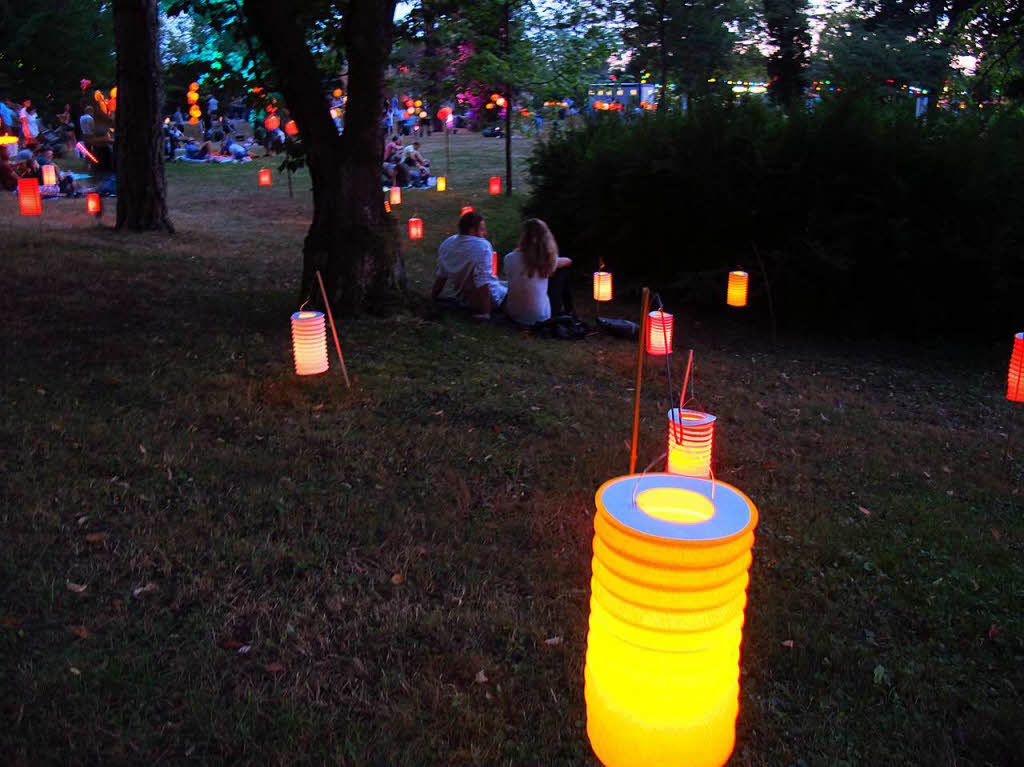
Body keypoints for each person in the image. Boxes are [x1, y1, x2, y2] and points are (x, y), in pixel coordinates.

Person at [432, 212, 507, 319]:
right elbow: (483, 282)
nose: (484, 233)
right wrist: (486, 312)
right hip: (491, 300)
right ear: (472, 230)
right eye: (482, 229)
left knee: (504, 283)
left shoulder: (447, 243)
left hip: (463, 298)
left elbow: (441, 276)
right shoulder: (482, 246)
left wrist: (434, 296)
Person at [503, 219, 573, 325]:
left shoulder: (509, 258)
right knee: (562, 270)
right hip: (541, 318)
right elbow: (568, 261)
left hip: (514, 315)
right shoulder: (547, 260)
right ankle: (569, 310)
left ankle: (568, 311)